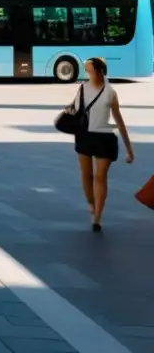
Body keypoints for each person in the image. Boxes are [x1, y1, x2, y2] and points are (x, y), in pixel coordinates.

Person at [72, 56, 135, 232]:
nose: (87, 74)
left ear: (99, 71)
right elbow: (76, 110)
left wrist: (129, 149)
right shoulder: (82, 88)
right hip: (85, 136)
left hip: (105, 138)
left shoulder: (110, 92)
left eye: (89, 70)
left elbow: (119, 120)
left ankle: (97, 217)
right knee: (86, 174)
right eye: (86, 70)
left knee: (100, 177)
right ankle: (91, 204)